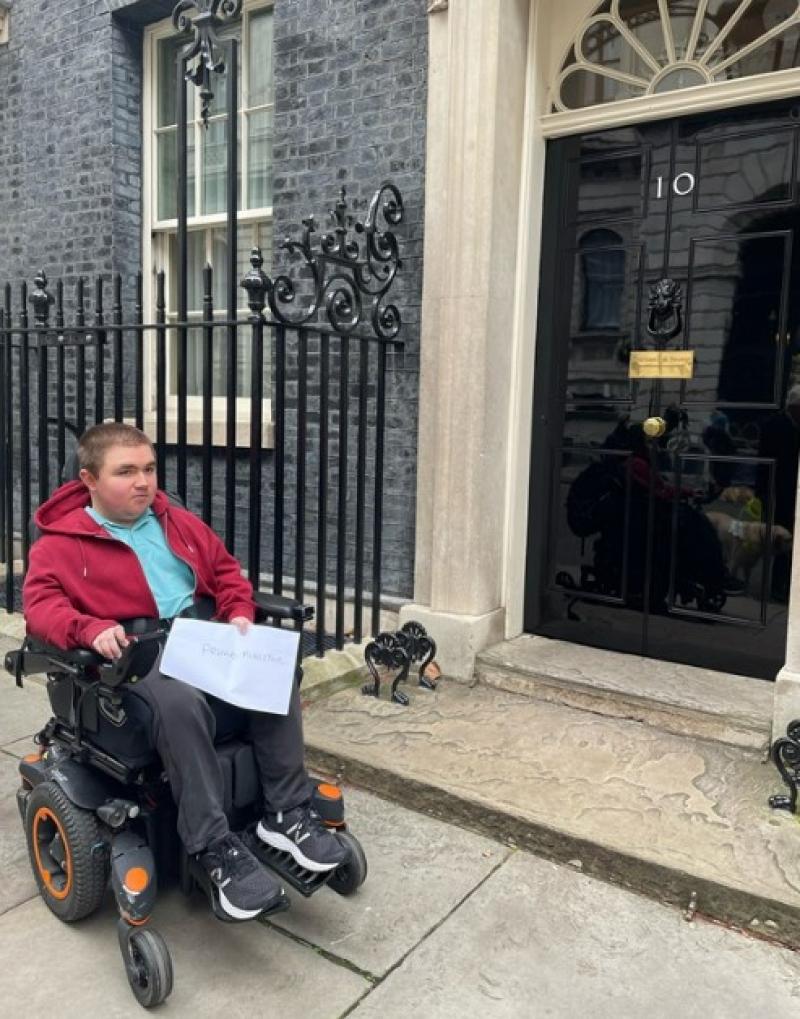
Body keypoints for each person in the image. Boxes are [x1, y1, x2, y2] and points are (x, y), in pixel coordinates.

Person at [23, 422, 346, 922]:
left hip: (203, 643)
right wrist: (89, 628)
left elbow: (226, 573)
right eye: (125, 471)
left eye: (149, 469)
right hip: (135, 660)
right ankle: (213, 847)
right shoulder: (58, 545)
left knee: (277, 668)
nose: (143, 482)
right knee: (179, 703)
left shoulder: (175, 521)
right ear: (88, 479)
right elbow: (41, 609)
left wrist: (239, 611)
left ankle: (285, 814)